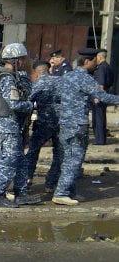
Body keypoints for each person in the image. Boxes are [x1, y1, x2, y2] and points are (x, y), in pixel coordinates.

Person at [53, 48, 119, 205]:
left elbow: (56, 97)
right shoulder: (86, 79)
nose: (97, 63)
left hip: (65, 123)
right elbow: (102, 96)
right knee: (74, 160)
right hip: (77, 124)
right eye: (95, 61)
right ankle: (61, 193)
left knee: (67, 158)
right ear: (87, 61)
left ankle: (70, 192)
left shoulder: (66, 77)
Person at [0, 43, 40, 208]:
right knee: (8, 160)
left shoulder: (4, 74)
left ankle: (21, 193)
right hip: (6, 124)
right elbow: (14, 104)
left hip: (8, 124)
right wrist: (31, 106)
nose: (23, 62)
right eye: (22, 59)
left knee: (21, 160)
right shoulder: (7, 78)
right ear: (16, 61)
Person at [26, 60, 62, 191]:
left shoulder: (37, 85)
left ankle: (27, 177)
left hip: (43, 124)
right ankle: (51, 183)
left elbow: (28, 103)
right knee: (59, 154)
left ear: (36, 72)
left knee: (33, 151)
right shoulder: (60, 81)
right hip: (60, 124)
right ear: (49, 70)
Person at [92, 49, 114, 145]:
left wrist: (97, 96)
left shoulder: (101, 68)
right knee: (101, 116)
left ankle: (99, 140)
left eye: (96, 57)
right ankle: (101, 139)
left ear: (100, 57)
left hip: (100, 95)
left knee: (98, 118)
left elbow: (101, 83)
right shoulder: (107, 66)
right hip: (106, 94)